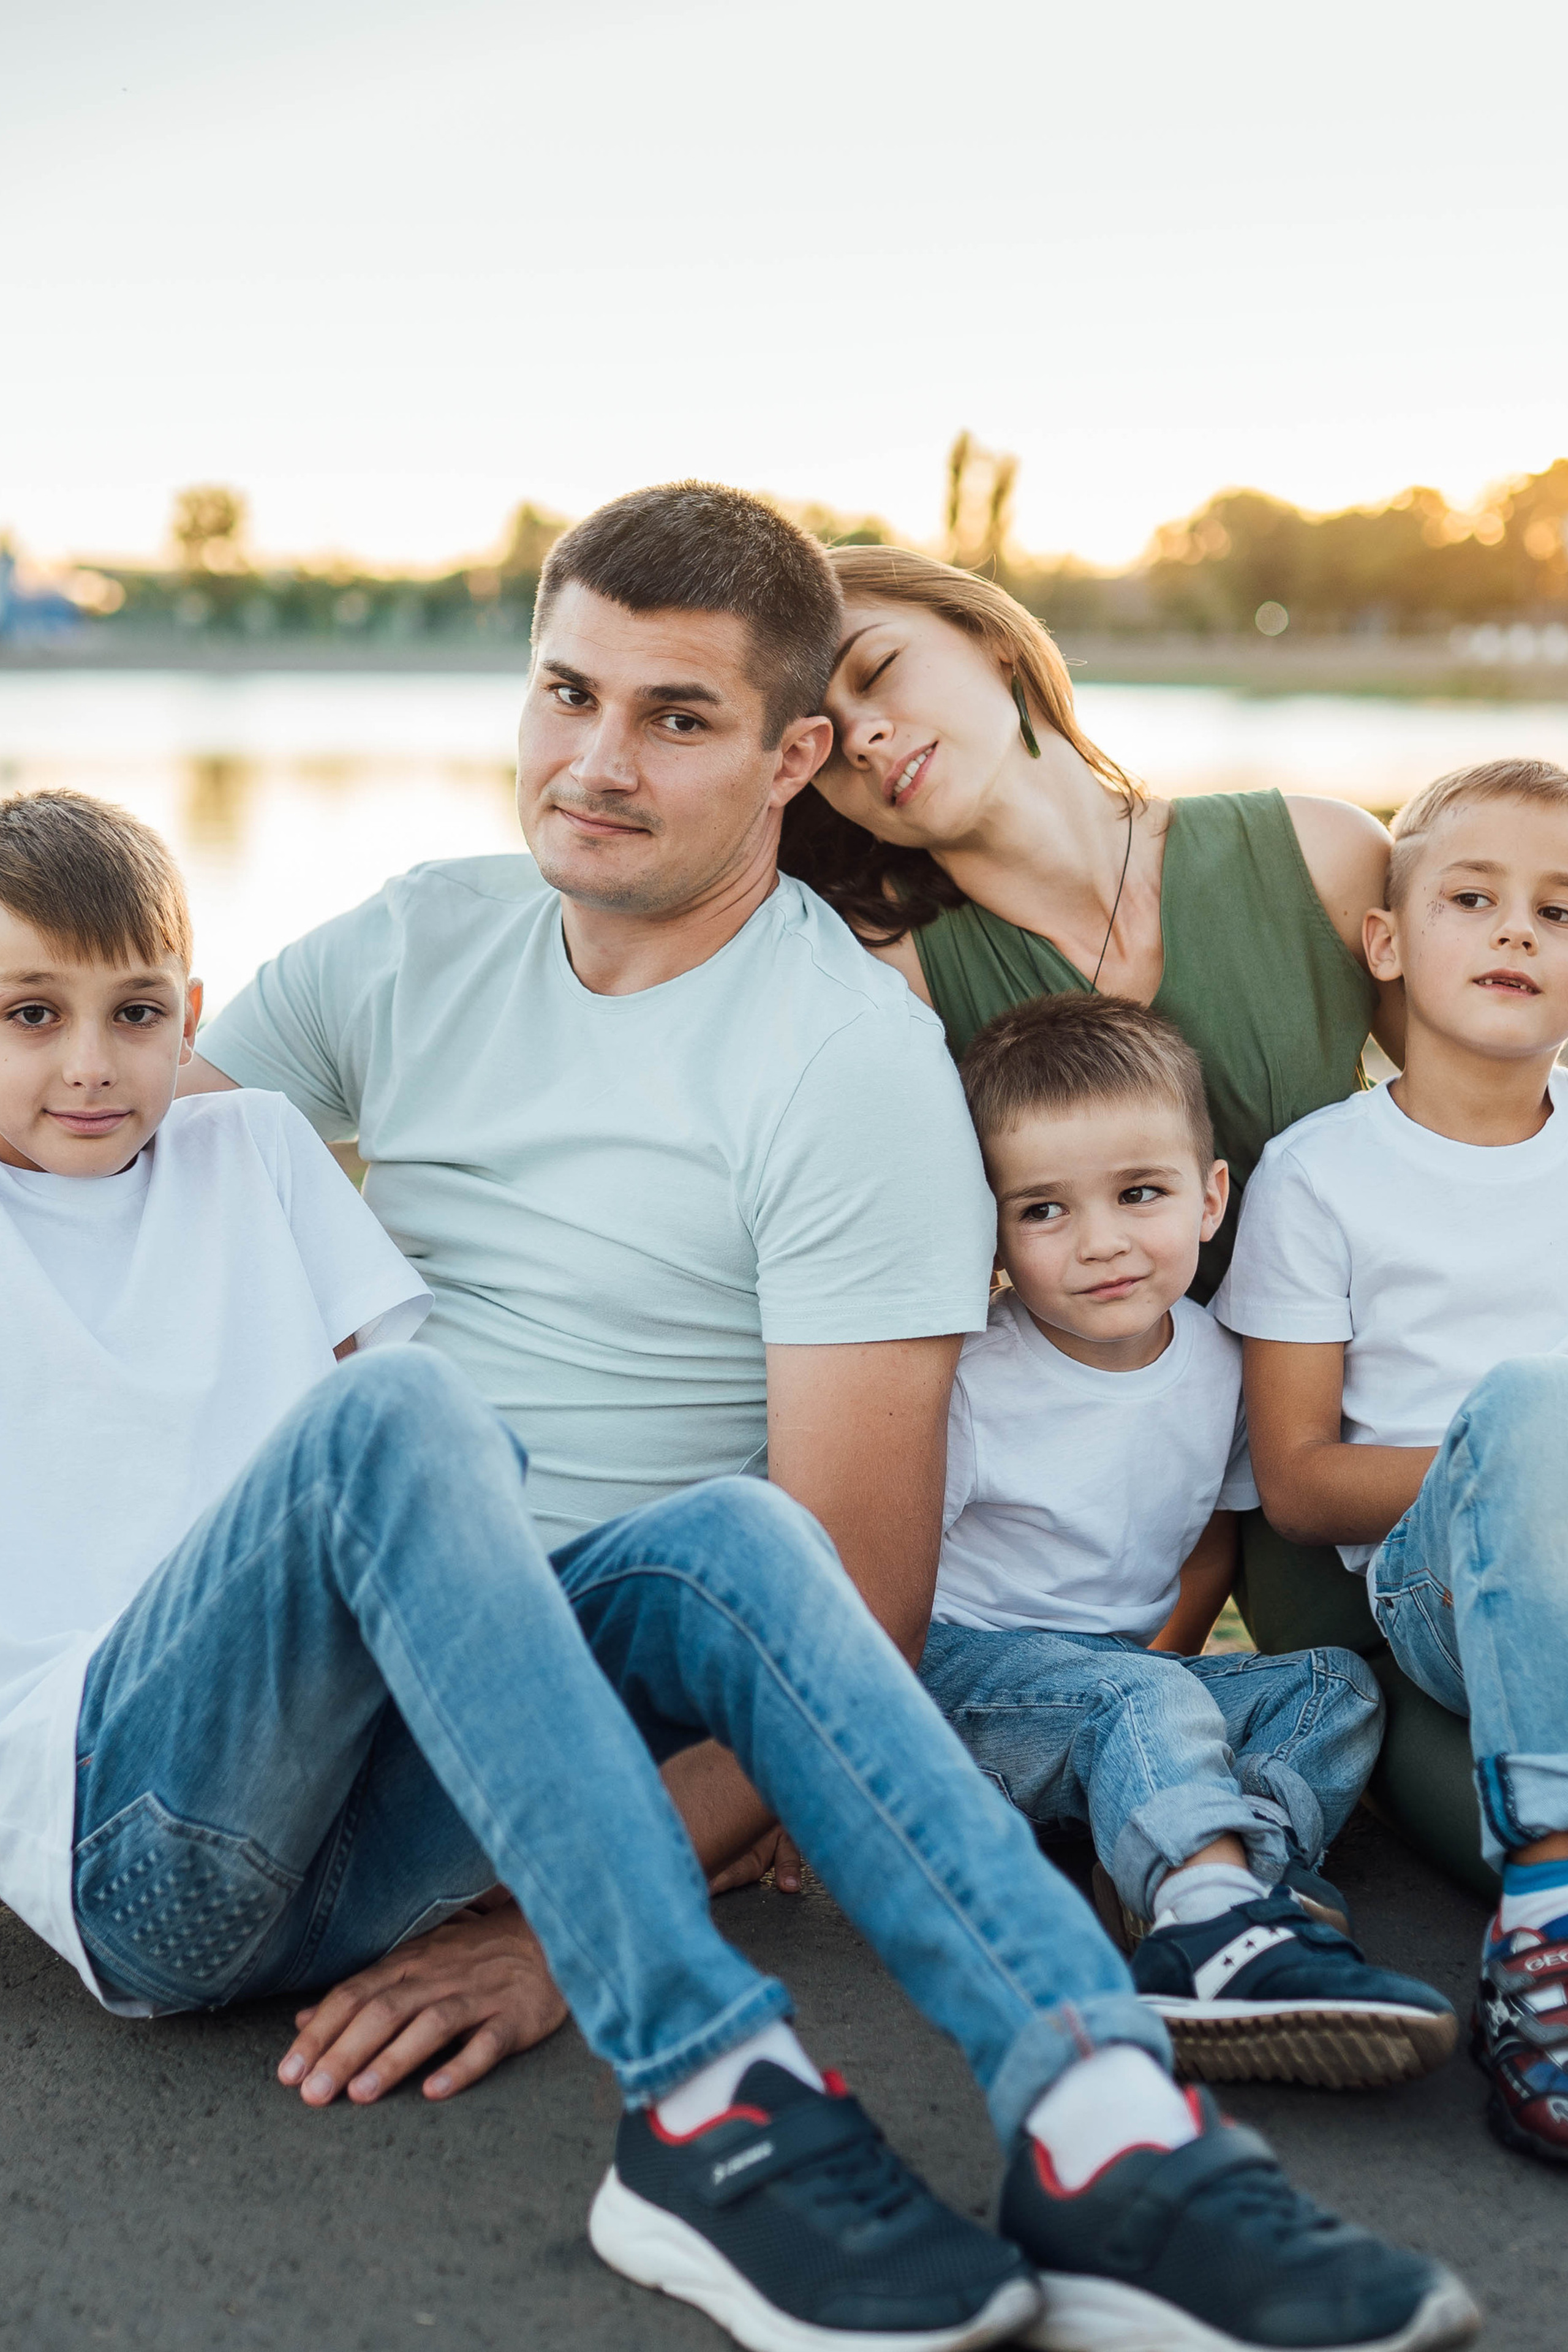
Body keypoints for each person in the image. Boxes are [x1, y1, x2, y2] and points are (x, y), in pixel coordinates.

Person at [0, 787, 1482, 2352]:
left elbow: (419, 1539)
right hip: (135, 1836)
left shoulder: (254, 1154)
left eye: (135, 1011)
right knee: (405, 1413)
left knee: (736, 1536)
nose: (92, 1062)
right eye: (29, 1013)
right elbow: (384, 1454)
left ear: (195, 1011)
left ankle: (1105, 2122)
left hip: (365, 1827)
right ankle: (710, 2100)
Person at [777, 545, 1485, 1890]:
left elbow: (1478, 1123)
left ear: (987, 639)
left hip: (1434, 1392)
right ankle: (1222, 1899)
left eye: (879, 670)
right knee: (1481, 1815)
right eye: (824, 742)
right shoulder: (894, 985)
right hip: (1258, 1485)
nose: (865, 736)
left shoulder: (1317, 850)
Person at [920, 990, 1455, 2090]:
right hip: (956, 1682)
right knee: (1147, 1695)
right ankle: (1214, 1926)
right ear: (991, 1229)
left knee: (1329, 1688)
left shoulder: (1221, 1363)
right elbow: (861, 1567)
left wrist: (1159, 1667)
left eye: (1140, 1194)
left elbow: (1207, 1534)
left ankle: (1230, 1877)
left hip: (1110, 1684)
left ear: (1213, 1199)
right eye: (1044, 1211)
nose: (1101, 1242)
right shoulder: (972, 1381)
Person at [1216, 756, 1568, 2166]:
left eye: (1557, 910)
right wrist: (1505, 1466)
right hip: (1438, 1592)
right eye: (1472, 898)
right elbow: (1296, 1480)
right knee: (1535, 1409)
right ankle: (1543, 1929)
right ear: (1384, 939)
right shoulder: (1319, 1174)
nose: (1516, 933)